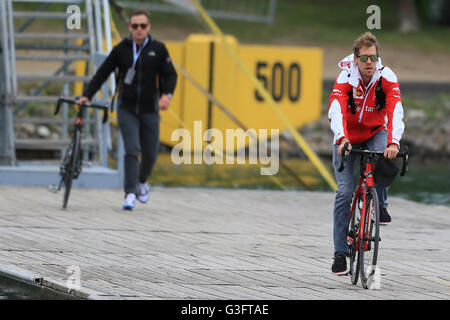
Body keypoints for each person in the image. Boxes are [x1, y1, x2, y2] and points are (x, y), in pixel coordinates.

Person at [79, 9, 177, 211]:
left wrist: (167, 95)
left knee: (150, 154)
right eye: (135, 26)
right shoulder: (121, 50)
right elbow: (102, 73)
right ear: (129, 27)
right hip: (127, 108)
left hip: (150, 108)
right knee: (132, 149)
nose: (139, 30)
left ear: (148, 27)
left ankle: (141, 182)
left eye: (143, 26)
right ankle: (130, 193)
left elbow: (171, 75)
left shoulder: (158, 49)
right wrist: (87, 94)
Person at [328, 32, 405, 274]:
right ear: (355, 58)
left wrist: (393, 142)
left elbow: (395, 110)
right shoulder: (345, 77)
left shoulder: (386, 77)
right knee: (345, 192)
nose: (369, 62)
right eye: (364, 58)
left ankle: (380, 203)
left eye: (373, 57)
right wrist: (341, 138)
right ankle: (340, 254)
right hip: (347, 138)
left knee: (384, 154)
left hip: (374, 132)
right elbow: (336, 109)